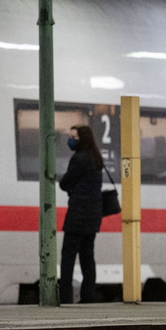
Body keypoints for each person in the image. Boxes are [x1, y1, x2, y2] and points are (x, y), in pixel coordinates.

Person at [59, 125, 103, 304]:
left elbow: (65, 183)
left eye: (73, 137)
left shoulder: (79, 159)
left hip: (78, 214)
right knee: (87, 257)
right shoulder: (96, 158)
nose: (70, 140)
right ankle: (88, 297)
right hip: (93, 215)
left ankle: (65, 297)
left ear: (82, 138)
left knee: (68, 256)